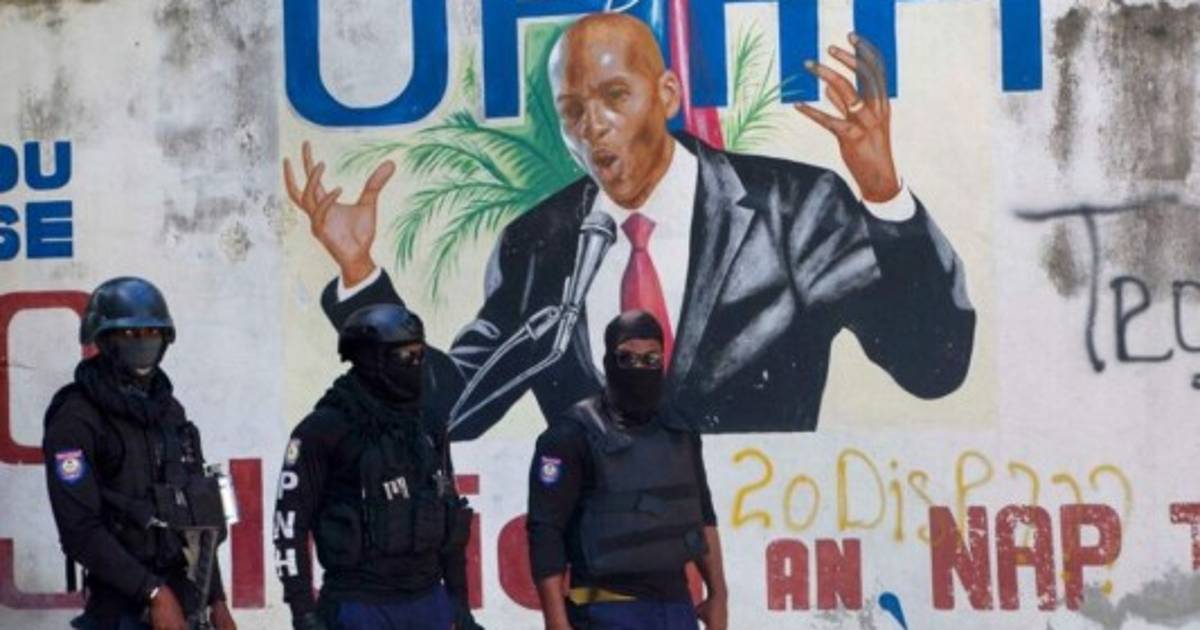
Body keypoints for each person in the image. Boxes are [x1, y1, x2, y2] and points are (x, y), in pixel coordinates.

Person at [286, 12, 975, 437]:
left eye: (616, 96)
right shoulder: (537, 244)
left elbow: (933, 367)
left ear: (667, 94)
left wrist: (883, 195)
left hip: (761, 548)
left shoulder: (793, 208)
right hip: (604, 570)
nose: (593, 126)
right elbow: (453, 408)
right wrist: (360, 276)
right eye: (572, 110)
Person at [42, 277, 236, 630]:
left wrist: (216, 599)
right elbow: (79, 529)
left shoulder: (170, 412)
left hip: (184, 600)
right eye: (130, 334)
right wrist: (152, 592)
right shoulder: (76, 417)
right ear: (103, 339)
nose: (143, 342)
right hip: (118, 604)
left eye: (152, 332)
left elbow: (198, 515)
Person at [272, 303, 480, 630]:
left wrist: (459, 606)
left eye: (420, 355)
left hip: (429, 602)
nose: (416, 365)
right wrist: (304, 614)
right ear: (371, 359)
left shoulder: (427, 425)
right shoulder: (324, 429)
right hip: (358, 606)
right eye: (406, 356)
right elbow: (289, 527)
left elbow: (450, 518)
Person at [526, 311, 727, 630]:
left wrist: (718, 594)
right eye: (627, 358)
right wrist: (555, 620)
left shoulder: (680, 431)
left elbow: (702, 515)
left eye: (651, 359)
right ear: (608, 362)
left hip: (675, 605)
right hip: (603, 606)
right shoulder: (570, 435)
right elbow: (545, 530)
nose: (639, 368)